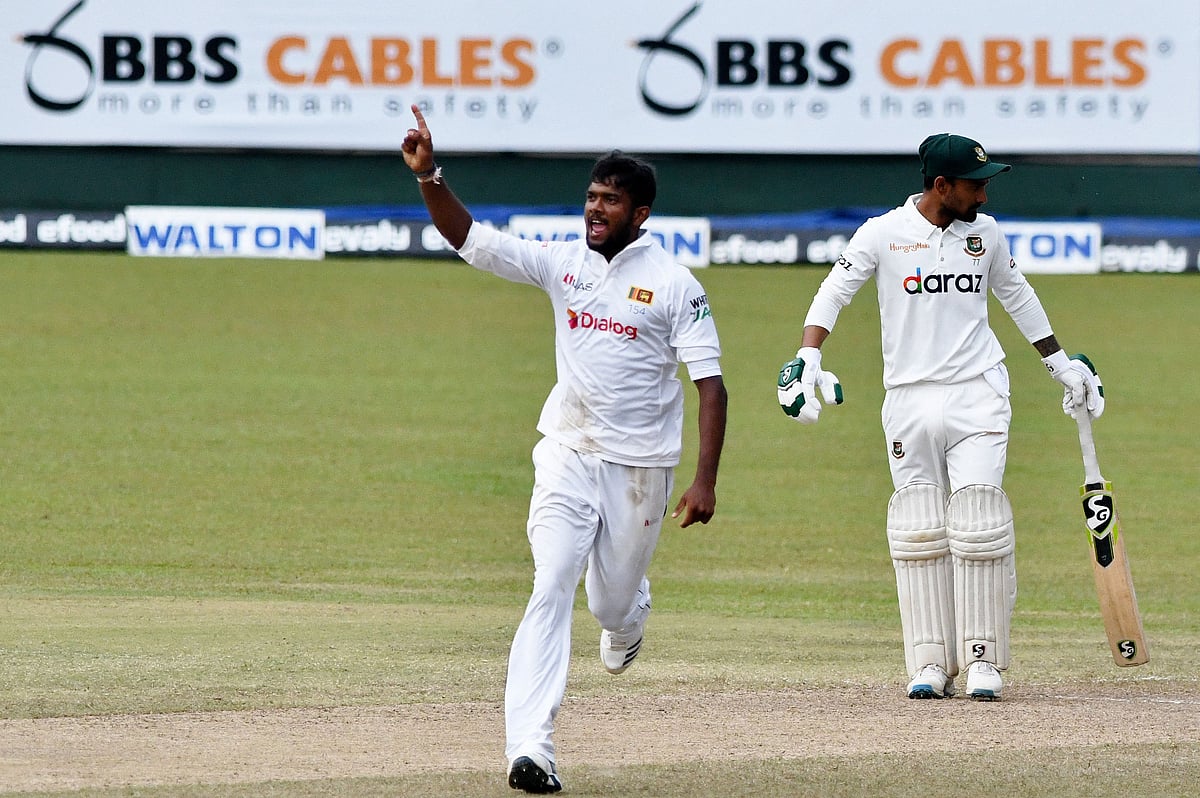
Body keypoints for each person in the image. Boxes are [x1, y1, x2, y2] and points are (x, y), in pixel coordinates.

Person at [401, 105, 728, 792]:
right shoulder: (564, 262)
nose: (595, 209)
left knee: (609, 605)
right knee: (549, 583)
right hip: (567, 452)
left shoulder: (674, 285)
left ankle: (629, 612)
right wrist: (430, 174)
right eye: (591, 196)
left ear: (641, 213)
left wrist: (704, 482)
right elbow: (474, 242)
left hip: (640, 469)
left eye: (610, 200)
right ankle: (532, 747)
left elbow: (711, 388)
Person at [777, 133, 1104, 702]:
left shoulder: (987, 234)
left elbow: (1017, 294)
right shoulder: (881, 233)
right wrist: (809, 354)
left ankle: (983, 661)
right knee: (920, 528)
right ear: (941, 186)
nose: (983, 193)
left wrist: (1059, 363)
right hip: (907, 398)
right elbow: (833, 292)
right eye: (975, 184)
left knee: (978, 521)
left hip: (978, 391)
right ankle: (929, 662)